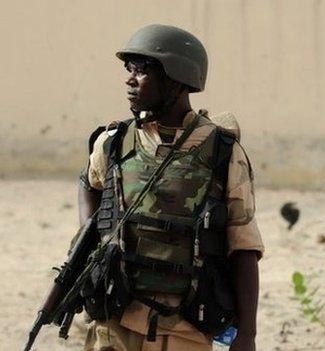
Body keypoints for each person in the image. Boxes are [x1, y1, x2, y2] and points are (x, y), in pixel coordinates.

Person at [77, 24, 264, 351]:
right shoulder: (114, 143)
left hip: (184, 326)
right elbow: (89, 183)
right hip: (115, 318)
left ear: (176, 79)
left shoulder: (222, 153)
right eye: (128, 69)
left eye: (142, 70)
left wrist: (247, 334)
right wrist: (93, 237)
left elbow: (243, 246)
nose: (130, 79)